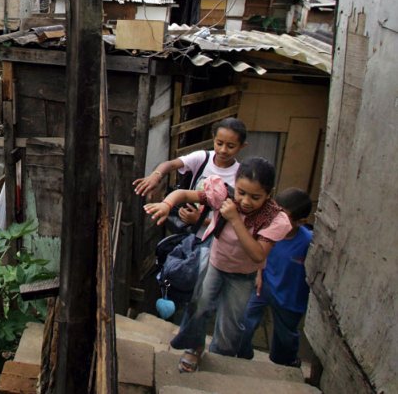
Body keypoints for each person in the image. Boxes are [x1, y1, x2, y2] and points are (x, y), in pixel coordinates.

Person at [143, 157, 291, 373]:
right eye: (241, 192)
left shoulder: (275, 219)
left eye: (255, 197)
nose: (246, 201)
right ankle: (194, 348)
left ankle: (220, 359)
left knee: (231, 322)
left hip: (243, 274)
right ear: (235, 186)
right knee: (198, 306)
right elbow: (184, 194)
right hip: (215, 262)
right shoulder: (223, 194)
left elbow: (258, 255)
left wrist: (235, 219)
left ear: (269, 194)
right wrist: (166, 204)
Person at [239, 188, 313, 366]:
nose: (275, 219)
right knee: (243, 323)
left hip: (290, 298)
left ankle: (285, 364)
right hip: (263, 285)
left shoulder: (309, 242)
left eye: (283, 216)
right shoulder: (266, 228)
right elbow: (259, 253)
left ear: (300, 222)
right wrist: (258, 273)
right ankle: (242, 355)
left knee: (285, 338)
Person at [134, 117, 248, 233]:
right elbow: (171, 164)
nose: (223, 150)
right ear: (213, 138)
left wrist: (200, 220)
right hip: (188, 231)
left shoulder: (241, 176)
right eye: (219, 143)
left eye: (230, 146)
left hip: (214, 239)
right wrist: (156, 175)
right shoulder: (203, 158)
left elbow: (236, 218)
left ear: (242, 146)